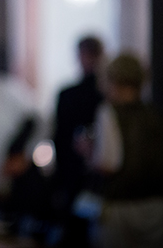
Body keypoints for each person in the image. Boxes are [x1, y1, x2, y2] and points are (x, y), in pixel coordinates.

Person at [89, 53, 163, 248]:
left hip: (121, 204)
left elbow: (108, 164)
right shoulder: (153, 114)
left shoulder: (109, 112)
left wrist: (88, 153)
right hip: (155, 205)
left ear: (113, 80)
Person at [51, 35, 105, 246]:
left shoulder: (71, 95)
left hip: (83, 171)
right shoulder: (99, 96)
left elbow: (58, 137)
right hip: (83, 171)